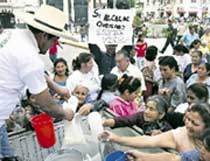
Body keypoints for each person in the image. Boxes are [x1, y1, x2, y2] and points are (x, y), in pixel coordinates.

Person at [0, 5, 74, 160]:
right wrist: (66, 113)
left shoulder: (14, 34)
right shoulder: (29, 58)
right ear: (44, 36)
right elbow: (46, 104)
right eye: (54, 40)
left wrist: (57, 88)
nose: (53, 46)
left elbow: (30, 72)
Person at [100, 103, 210, 160]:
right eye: (187, 119)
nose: (188, 125)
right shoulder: (182, 134)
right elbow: (150, 141)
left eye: (194, 123)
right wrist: (117, 139)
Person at [104, 95, 172, 135]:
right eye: (146, 107)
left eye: (151, 109)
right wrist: (105, 122)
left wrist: (162, 136)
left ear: (161, 114)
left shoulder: (166, 129)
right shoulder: (140, 116)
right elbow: (125, 120)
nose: (146, 111)